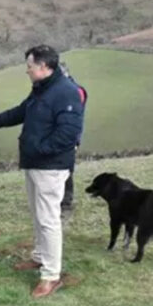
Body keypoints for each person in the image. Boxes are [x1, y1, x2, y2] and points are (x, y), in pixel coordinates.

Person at [0, 45, 84, 298]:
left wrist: (39, 149)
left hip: (51, 167)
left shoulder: (66, 93)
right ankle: (39, 256)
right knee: (38, 215)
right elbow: (21, 112)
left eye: (30, 66)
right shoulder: (41, 90)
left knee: (48, 219)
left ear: (44, 67)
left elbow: (68, 134)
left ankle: (51, 276)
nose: (27, 70)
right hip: (35, 164)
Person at [59, 62, 88, 219]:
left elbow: (74, 118)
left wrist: (75, 140)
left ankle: (66, 202)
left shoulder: (76, 92)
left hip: (69, 137)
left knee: (66, 170)